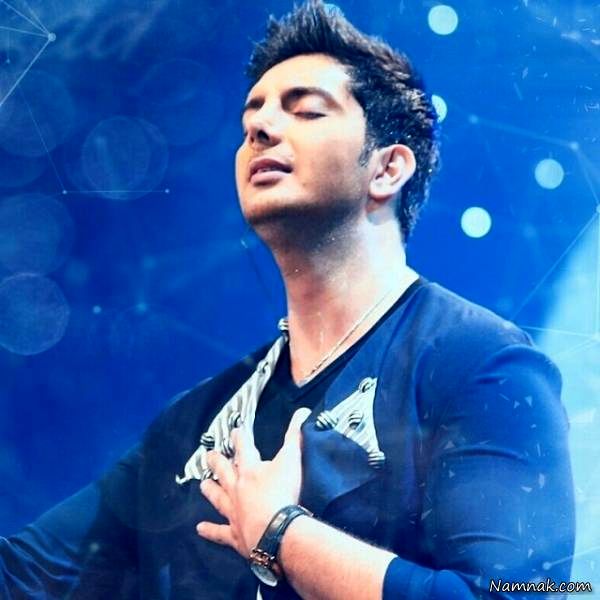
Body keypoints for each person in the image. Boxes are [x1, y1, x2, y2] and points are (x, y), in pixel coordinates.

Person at [0, 1, 575, 598]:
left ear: (387, 169)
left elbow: (527, 595)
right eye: (251, 118)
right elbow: (22, 575)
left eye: (305, 110)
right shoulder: (191, 424)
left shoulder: (479, 363)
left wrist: (281, 535)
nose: (261, 128)